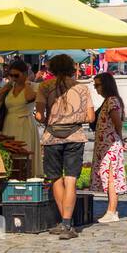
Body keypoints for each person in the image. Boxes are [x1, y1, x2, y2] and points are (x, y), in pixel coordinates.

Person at [36, 54, 95, 239]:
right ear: (72, 68)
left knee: (55, 179)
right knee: (71, 180)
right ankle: (68, 224)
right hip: (75, 136)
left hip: (52, 136)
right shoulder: (82, 88)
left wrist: (50, 120)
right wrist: (73, 119)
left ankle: (64, 223)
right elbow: (91, 117)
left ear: (52, 68)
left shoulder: (44, 86)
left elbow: (39, 115)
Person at [90, 73, 127, 223]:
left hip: (110, 145)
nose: (96, 88)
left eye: (97, 85)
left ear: (106, 85)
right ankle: (111, 210)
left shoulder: (111, 100)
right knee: (108, 177)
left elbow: (117, 122)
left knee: (111, 178)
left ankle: (112, 211)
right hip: (105, 145)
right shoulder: (109, 101)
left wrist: (119, 136)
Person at [0, 60, 43, 177]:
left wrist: (27, 83)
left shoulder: (34, 87)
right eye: (10, 75)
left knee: (25, 152)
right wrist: (5, 87)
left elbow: (29, 98)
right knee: (9, 153)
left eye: (16, 75)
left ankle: (27, 176)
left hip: (25, 123)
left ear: (25, 74)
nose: (13, 78)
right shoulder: (9, 88)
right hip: (9, 122)